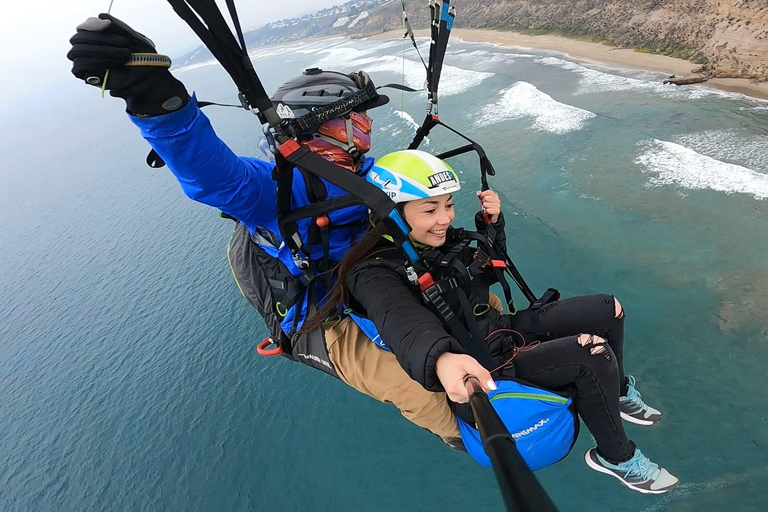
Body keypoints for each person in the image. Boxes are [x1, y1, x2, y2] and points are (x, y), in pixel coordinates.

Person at [67, 14, 463, 445]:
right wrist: (152, 95)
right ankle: (474, 436)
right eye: (357, 119)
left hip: (377, 284)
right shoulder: (273, 189)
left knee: (476, 301)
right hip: (324, 318)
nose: (367, 129)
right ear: (324, 128)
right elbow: (212, 176)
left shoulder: (366, 174)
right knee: (421, 391)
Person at [307, 149, 680, 494]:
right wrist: (441, 357)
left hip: (501, 331)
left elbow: (488, 263)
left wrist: (493, 224)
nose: (445, 218)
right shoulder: (371, 272)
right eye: (430, 209)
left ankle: (615, 394)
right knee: (592, 353)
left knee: (607, 308)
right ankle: (618, 458)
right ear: (393, 213)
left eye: (449, 205)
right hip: (485, 366)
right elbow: (400, 321)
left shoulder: (432, 243)